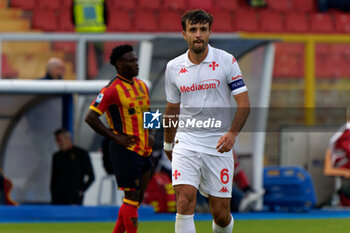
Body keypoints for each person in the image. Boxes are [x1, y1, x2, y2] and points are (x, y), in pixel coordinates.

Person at [163, 9, 250, 233]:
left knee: (220, 215)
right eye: (193, 30)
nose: (198, 34)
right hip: (187, 142)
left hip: (218, 145)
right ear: (184, 34)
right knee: (185, 200)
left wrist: (232, 134)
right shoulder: (173, 67)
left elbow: (244, 104)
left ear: (210, 32)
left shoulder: (226, 61)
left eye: (203, 29)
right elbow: (172, 108)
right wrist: (168, 143)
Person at [85, 44, 153, 233]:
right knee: (131, 198)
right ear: (118, 64)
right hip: (125, 150)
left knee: (136, 200)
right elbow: (90, 117)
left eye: (136, 59)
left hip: (144, 149)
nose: (136, 64)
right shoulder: (110, 90)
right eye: (130, 60)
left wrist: (152, 133)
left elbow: (148, 111)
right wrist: (115, 137)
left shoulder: (142, 86)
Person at [50, 128, 94, 205]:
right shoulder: (57, 156)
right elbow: (54, 178)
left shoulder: (81, 154)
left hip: (74, 197)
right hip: (58, 198)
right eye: (56, 141)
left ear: (67, 139)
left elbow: (91, 176)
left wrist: (81, 190)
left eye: (59, 140)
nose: (58, 144)